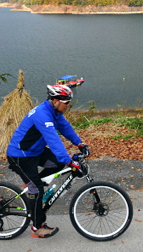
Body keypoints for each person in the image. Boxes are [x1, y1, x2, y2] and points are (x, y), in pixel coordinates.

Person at [6, 84, 90, 238]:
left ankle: (32, 185)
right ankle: (37, 228)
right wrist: (69, 161)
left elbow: (65, 128)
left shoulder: (54, 112)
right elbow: (53, 140)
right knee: (37, 189)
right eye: (66, 103)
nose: (68, 106)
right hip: (19, 156)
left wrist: (79, 143)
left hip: (34, 152)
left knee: (58, 163)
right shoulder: (42, 114)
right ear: (56, 100)